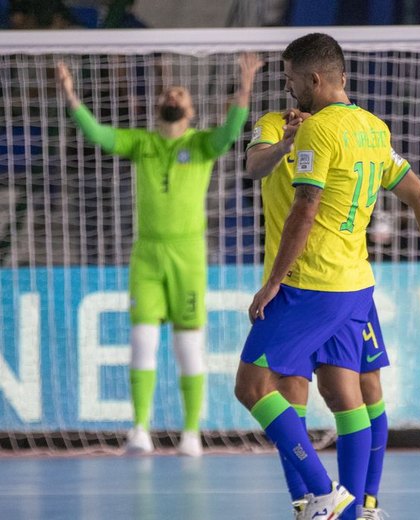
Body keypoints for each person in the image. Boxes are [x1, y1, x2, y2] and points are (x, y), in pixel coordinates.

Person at [234, 33, 420, 520]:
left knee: (253, 385)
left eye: (292, 78)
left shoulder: (323, 131)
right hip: (354, 285)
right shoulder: (371, 129)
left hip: (309, 281)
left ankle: (327, 494)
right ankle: (350, 507)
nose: (287, 86)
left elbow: (305, 206)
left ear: (314, 79)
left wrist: (275, 279)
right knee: (342, 393)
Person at [56, 53, 264, 457]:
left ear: (190, 110)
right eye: (169, 91)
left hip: (187, 255)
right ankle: (139, 429)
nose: (174, 94)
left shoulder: (202, 145)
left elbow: (230, 130)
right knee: (142, 340)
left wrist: (245, 86)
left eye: (181, 93)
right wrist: (70, 95)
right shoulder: (143, 143)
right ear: (159, 107)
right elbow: (99, 135)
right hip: (147, 254)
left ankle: (190, 434)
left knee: (188, 345)